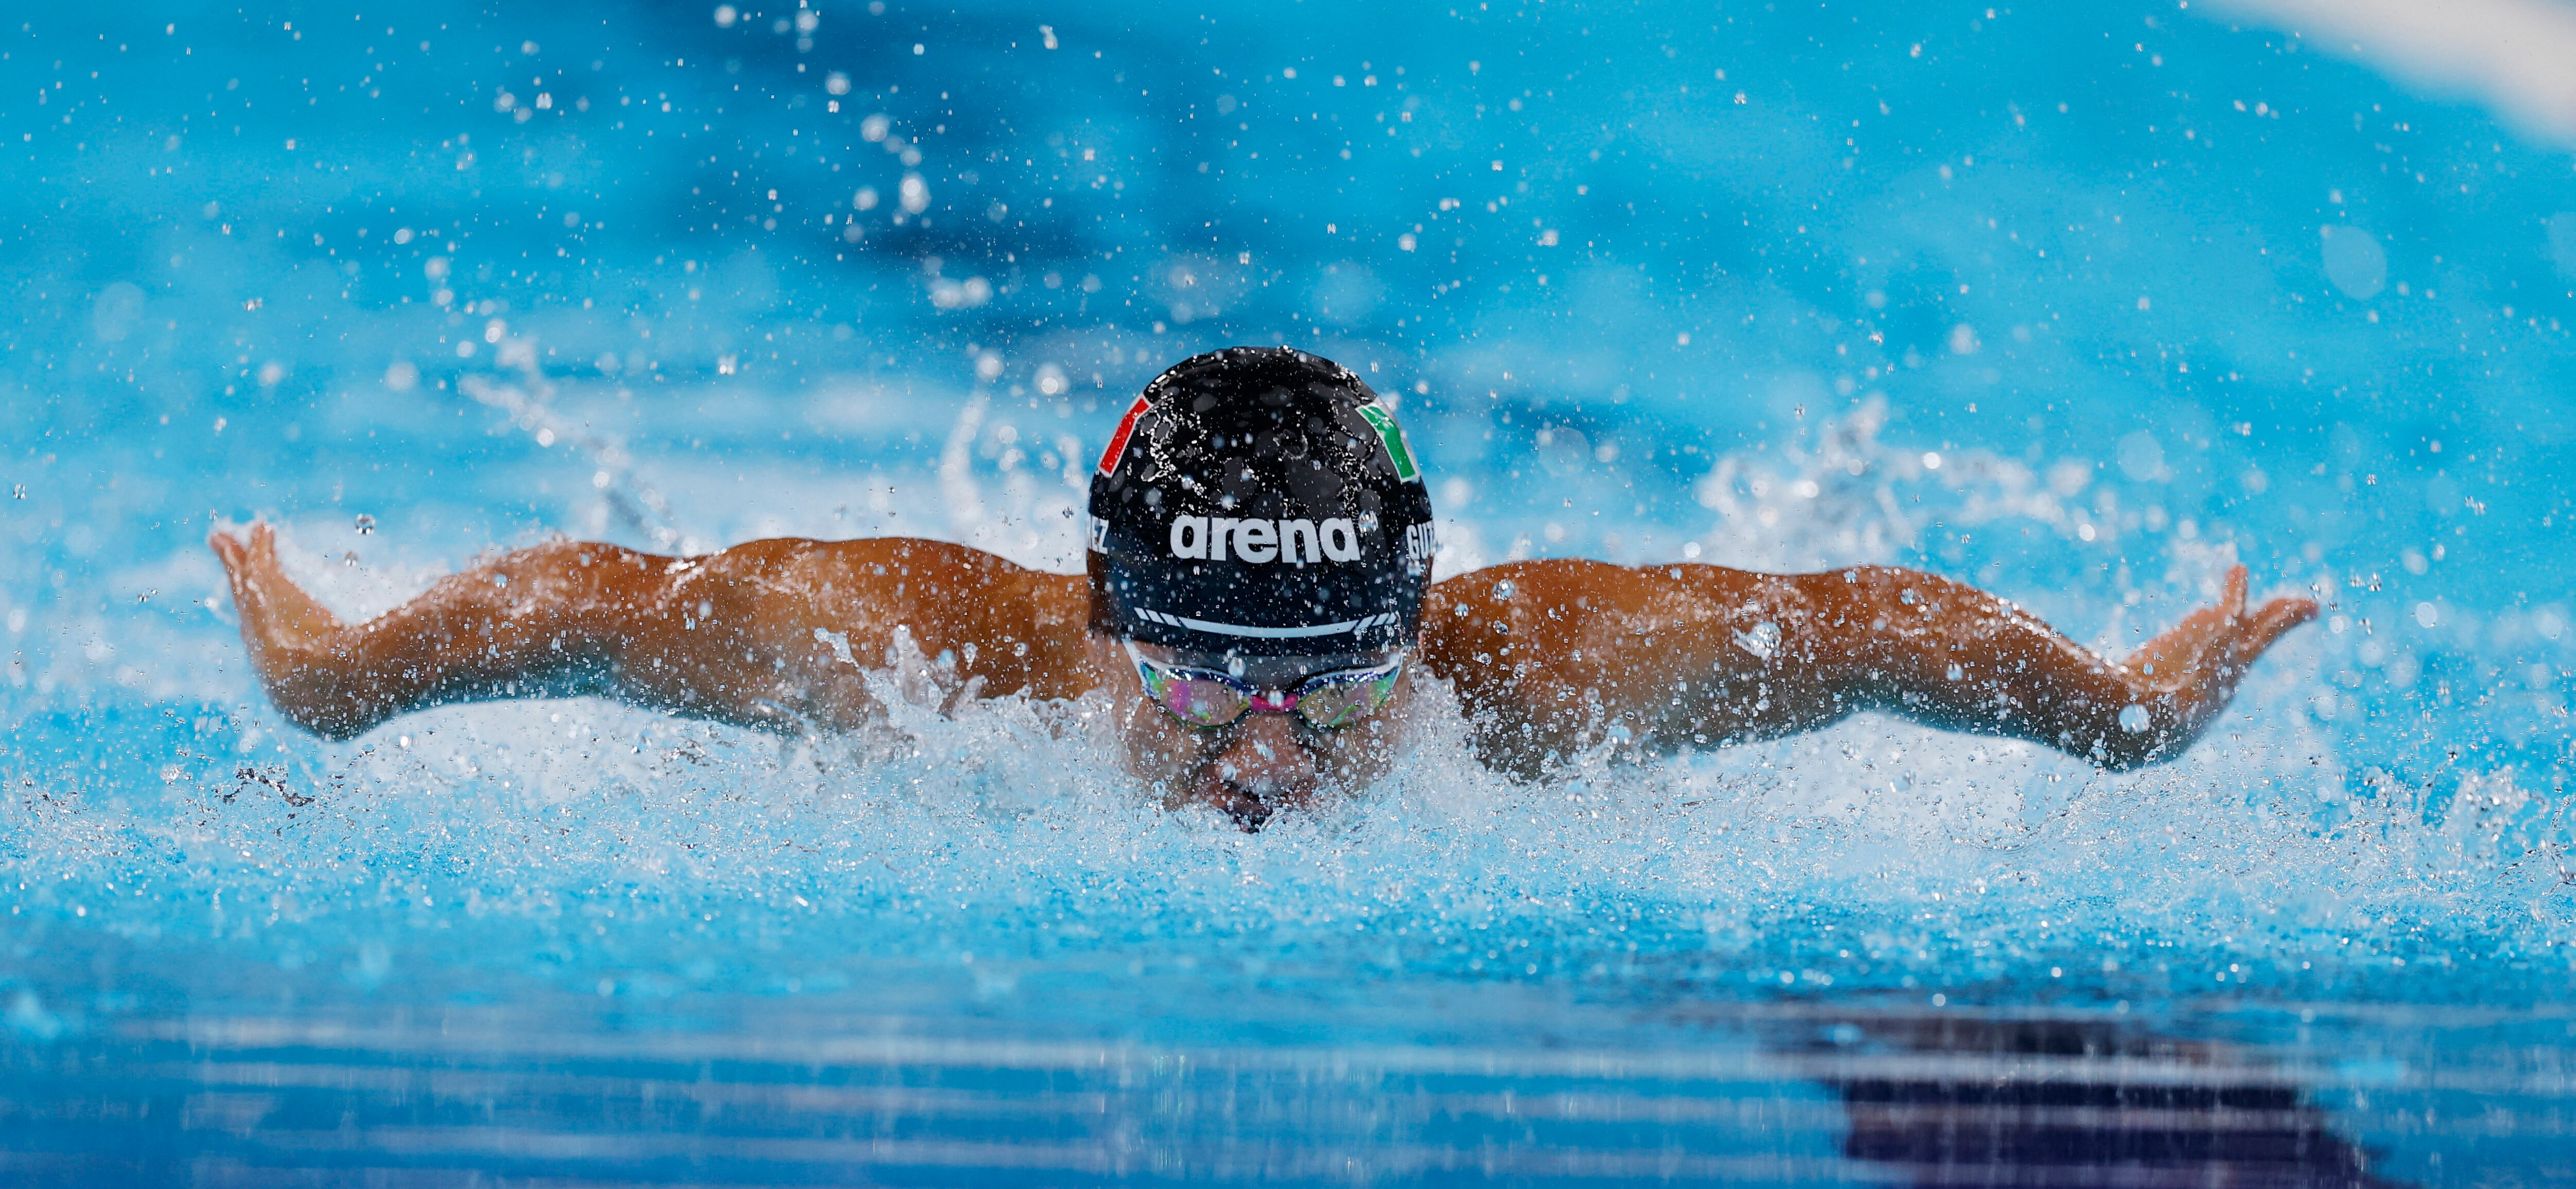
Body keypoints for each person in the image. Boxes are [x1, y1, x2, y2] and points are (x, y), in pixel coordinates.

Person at [211, 347, 2316, 830]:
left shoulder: (1543, 677)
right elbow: (599, 599)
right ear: (1106, 615)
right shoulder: (923, 659)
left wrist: (2111, 711)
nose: (1274, 746)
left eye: (1328, 682)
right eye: (1217, 682)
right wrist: (341, 679)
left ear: (1415, 620)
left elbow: (1854, 625)